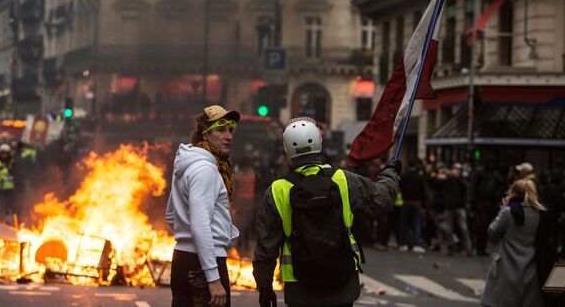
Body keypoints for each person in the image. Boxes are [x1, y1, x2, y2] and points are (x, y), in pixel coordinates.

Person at [252, 117, 400, 307]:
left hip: (300, 286)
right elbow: (382, 201)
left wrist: (264, 288)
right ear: (320, 143)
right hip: (343, 281)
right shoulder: (343, 179)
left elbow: (265, 247)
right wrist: (390, 172)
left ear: (287, 149)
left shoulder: (277, 190)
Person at [166, 105, 241, 307]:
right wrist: (213, 279)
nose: (228, 136)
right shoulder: (205, 169)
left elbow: (171, 215)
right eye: (221, 130)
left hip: (182, 259)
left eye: (230, 130)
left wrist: (187, 239)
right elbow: (200, 225)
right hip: (204, 264)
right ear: (205, 135)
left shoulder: (187, 164)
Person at [481, 179, 548, 307]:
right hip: (531, 265)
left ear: (512, 193)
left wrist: (503, 208)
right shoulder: (538, 213)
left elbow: (492, 231)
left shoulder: (508, 212)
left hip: (507, 265)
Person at [399, 160, 427, 253]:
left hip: (406, 201)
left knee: (404, 224)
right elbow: (423, 191)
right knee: (416, 224)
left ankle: (403, 244)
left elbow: (400, 187)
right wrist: (424, 204)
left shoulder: (403, 176)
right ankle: (416, 244)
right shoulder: (419, 176)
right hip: (416, 202)